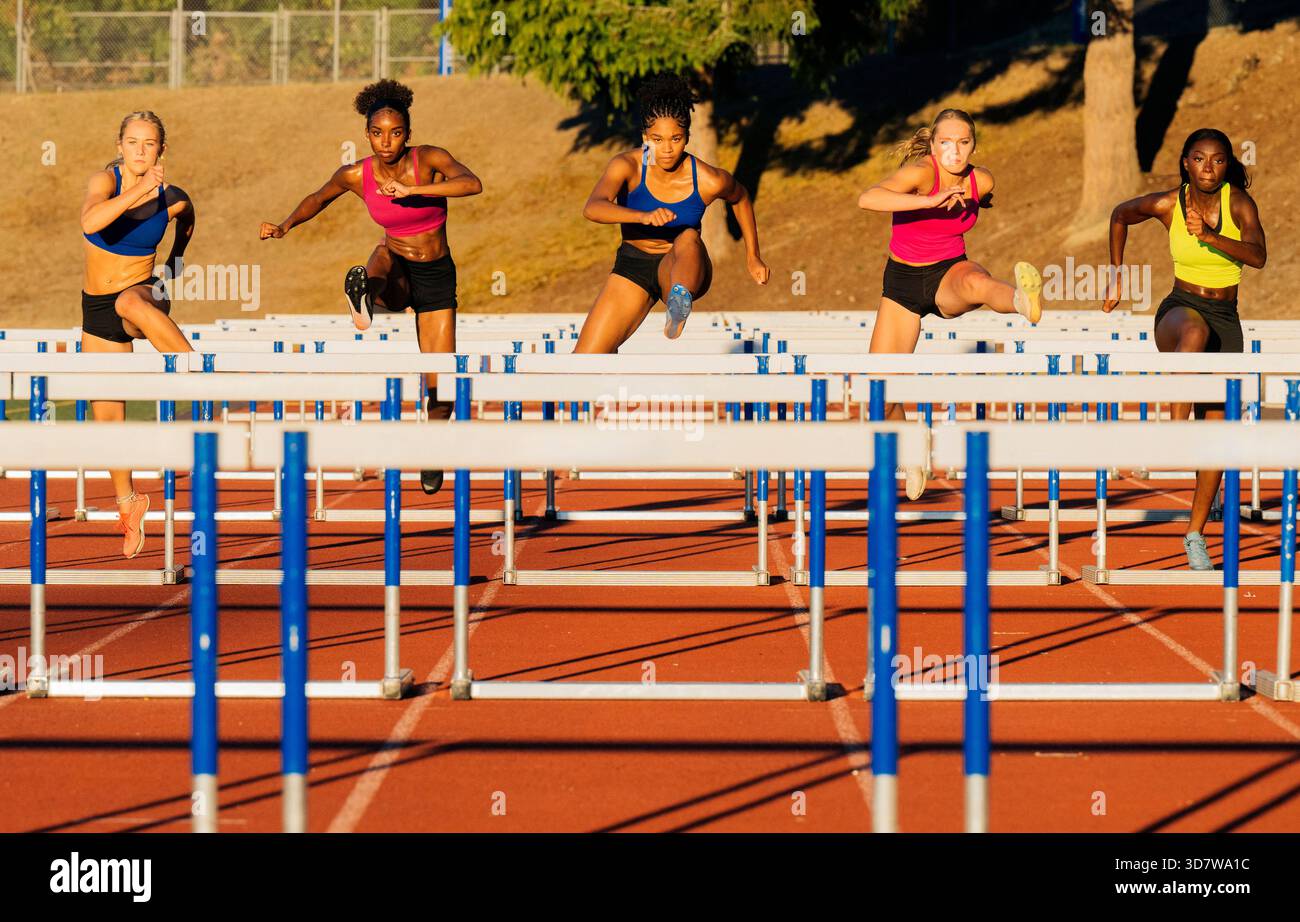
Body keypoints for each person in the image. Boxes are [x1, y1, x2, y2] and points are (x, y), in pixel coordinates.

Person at [259, 78, 482, 494]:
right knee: (380, 255)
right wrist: (284, 226)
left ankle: (431, 455)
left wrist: (414, 190)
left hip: (435, 274)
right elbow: (318, 196)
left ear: (407, 134)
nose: (386, 141)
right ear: (366, 134)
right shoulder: (356, 174)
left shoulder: (429, 158)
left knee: (442, 383)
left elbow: (472, 183)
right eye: (377, 133)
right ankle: (365, 296)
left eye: (395, 133)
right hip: (394, 268)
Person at [1103, 127, 1267, 570]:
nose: (1208, 168)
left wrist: (1211, 235)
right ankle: (1171, 436)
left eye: (1217, 160)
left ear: (1227, 164)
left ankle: (1194, 533)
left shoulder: (1238, 203)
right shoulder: (1168, 204)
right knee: (1193, 335)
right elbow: (1120, 214)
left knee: (1215, 437)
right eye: (1198, 159)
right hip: (1180, 311)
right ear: (1185, 163)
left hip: (1226, 319)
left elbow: (1258, 256)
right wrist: (1116, 275)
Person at [858, 108, 1043, 500]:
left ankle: (1021, 300)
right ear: (934, 144)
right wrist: (930, 200)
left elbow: (983, 196)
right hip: (902, 283)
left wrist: (971, 200)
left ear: (973, 145)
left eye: (963, 143)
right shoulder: (922, 173)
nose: (955, 152)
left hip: (947, 270)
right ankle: (912, 452)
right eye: (946, 143)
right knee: (878, 388)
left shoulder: (982, 180)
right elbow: (869, 198)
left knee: (977, 282)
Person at [574, 74, 769, 353]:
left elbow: (740, 198)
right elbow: (593, 207)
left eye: (676, 139)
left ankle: (679, 302)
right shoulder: (626, 166)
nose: (666, 149)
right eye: (657, 139)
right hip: (634, 266)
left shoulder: (708, 179)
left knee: (688, 236)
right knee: (585, 359)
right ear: (645, 138)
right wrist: (641, 216)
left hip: (681, 265)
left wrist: (753, 256)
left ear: (687, 137)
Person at [80, 110, 195, 558]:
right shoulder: (104, 182)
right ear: (119, 145)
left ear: (161, 150)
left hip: (144, 294)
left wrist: (171, 273)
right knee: (108, 423)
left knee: (131, 302)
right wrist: (137, 192)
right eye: (133, 142)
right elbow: (90, 222)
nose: (140, 151)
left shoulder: (174, 197)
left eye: (149, 144)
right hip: (96, 307)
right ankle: (129, 503)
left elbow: (186, 227)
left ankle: (201, 376)